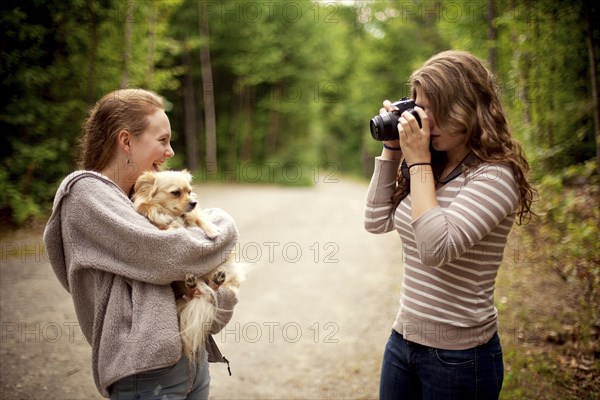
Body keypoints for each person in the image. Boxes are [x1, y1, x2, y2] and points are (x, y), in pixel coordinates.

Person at [43, 88, 239, 399]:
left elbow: (189, 251)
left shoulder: (136, 198)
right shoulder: (86, 194)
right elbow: (171, 255)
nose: (170, 151)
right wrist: (224, 223)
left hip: (192, 356)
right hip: (147, 371)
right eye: (162, 140)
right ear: (126, 141)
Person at [364, 50, 536, 399]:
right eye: (421, 108)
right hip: (402, 342)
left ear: (470, 106)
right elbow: (375, 220)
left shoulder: (494, 176)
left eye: (437, 109)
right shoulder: (432, 167)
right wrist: (393, 150)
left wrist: (418, 161)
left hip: (460, 359)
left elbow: (434, 249)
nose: (427, 120)